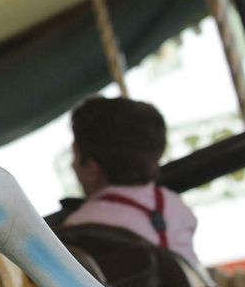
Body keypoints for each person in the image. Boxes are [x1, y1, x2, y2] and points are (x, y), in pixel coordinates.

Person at [62, 96, 198, 264]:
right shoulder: (175, 206)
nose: (72, 165)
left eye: (74, 156)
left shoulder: (79, 227)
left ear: (92, 169)